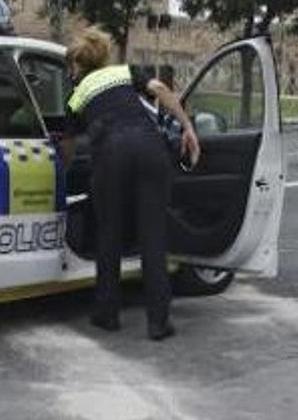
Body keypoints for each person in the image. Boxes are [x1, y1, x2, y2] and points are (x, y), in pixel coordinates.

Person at [59, 28, 200, 340]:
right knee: (153, 235)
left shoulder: (78, 93)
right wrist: (187, 126)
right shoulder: (124, 72)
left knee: (109, 233)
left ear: (78, 65)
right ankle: (158, 322)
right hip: (150, 150)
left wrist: (62, 172)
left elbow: (68, 143)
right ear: (105, 55)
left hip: (110, 156)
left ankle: (107, 314)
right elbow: (160, 89)